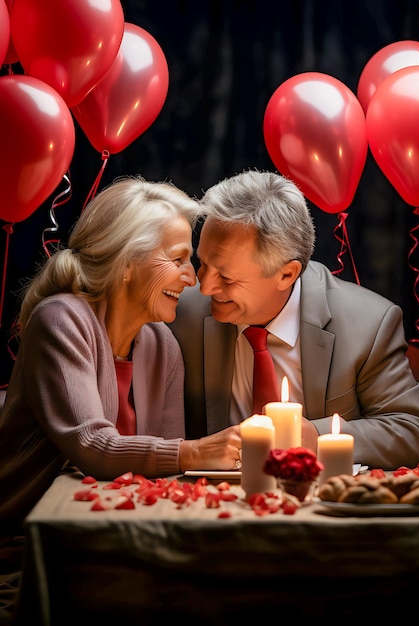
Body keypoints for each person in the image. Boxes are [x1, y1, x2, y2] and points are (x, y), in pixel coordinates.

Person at [0, 176, 243, 622]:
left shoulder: (162, 345)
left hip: (114, 542)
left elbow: (162, 480)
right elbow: (93, 445)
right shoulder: (61, 320)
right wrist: (195, 452)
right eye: (179, 260)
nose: (192, 280)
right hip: (26, 551)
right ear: (128, 262)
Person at [169, 169, 419, 470]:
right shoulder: (180, 313)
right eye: (203, 263)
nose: (204, 287)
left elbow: (417, 436)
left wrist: (315, 436)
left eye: (227, 277)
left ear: (287, 274)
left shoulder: (369, 324)